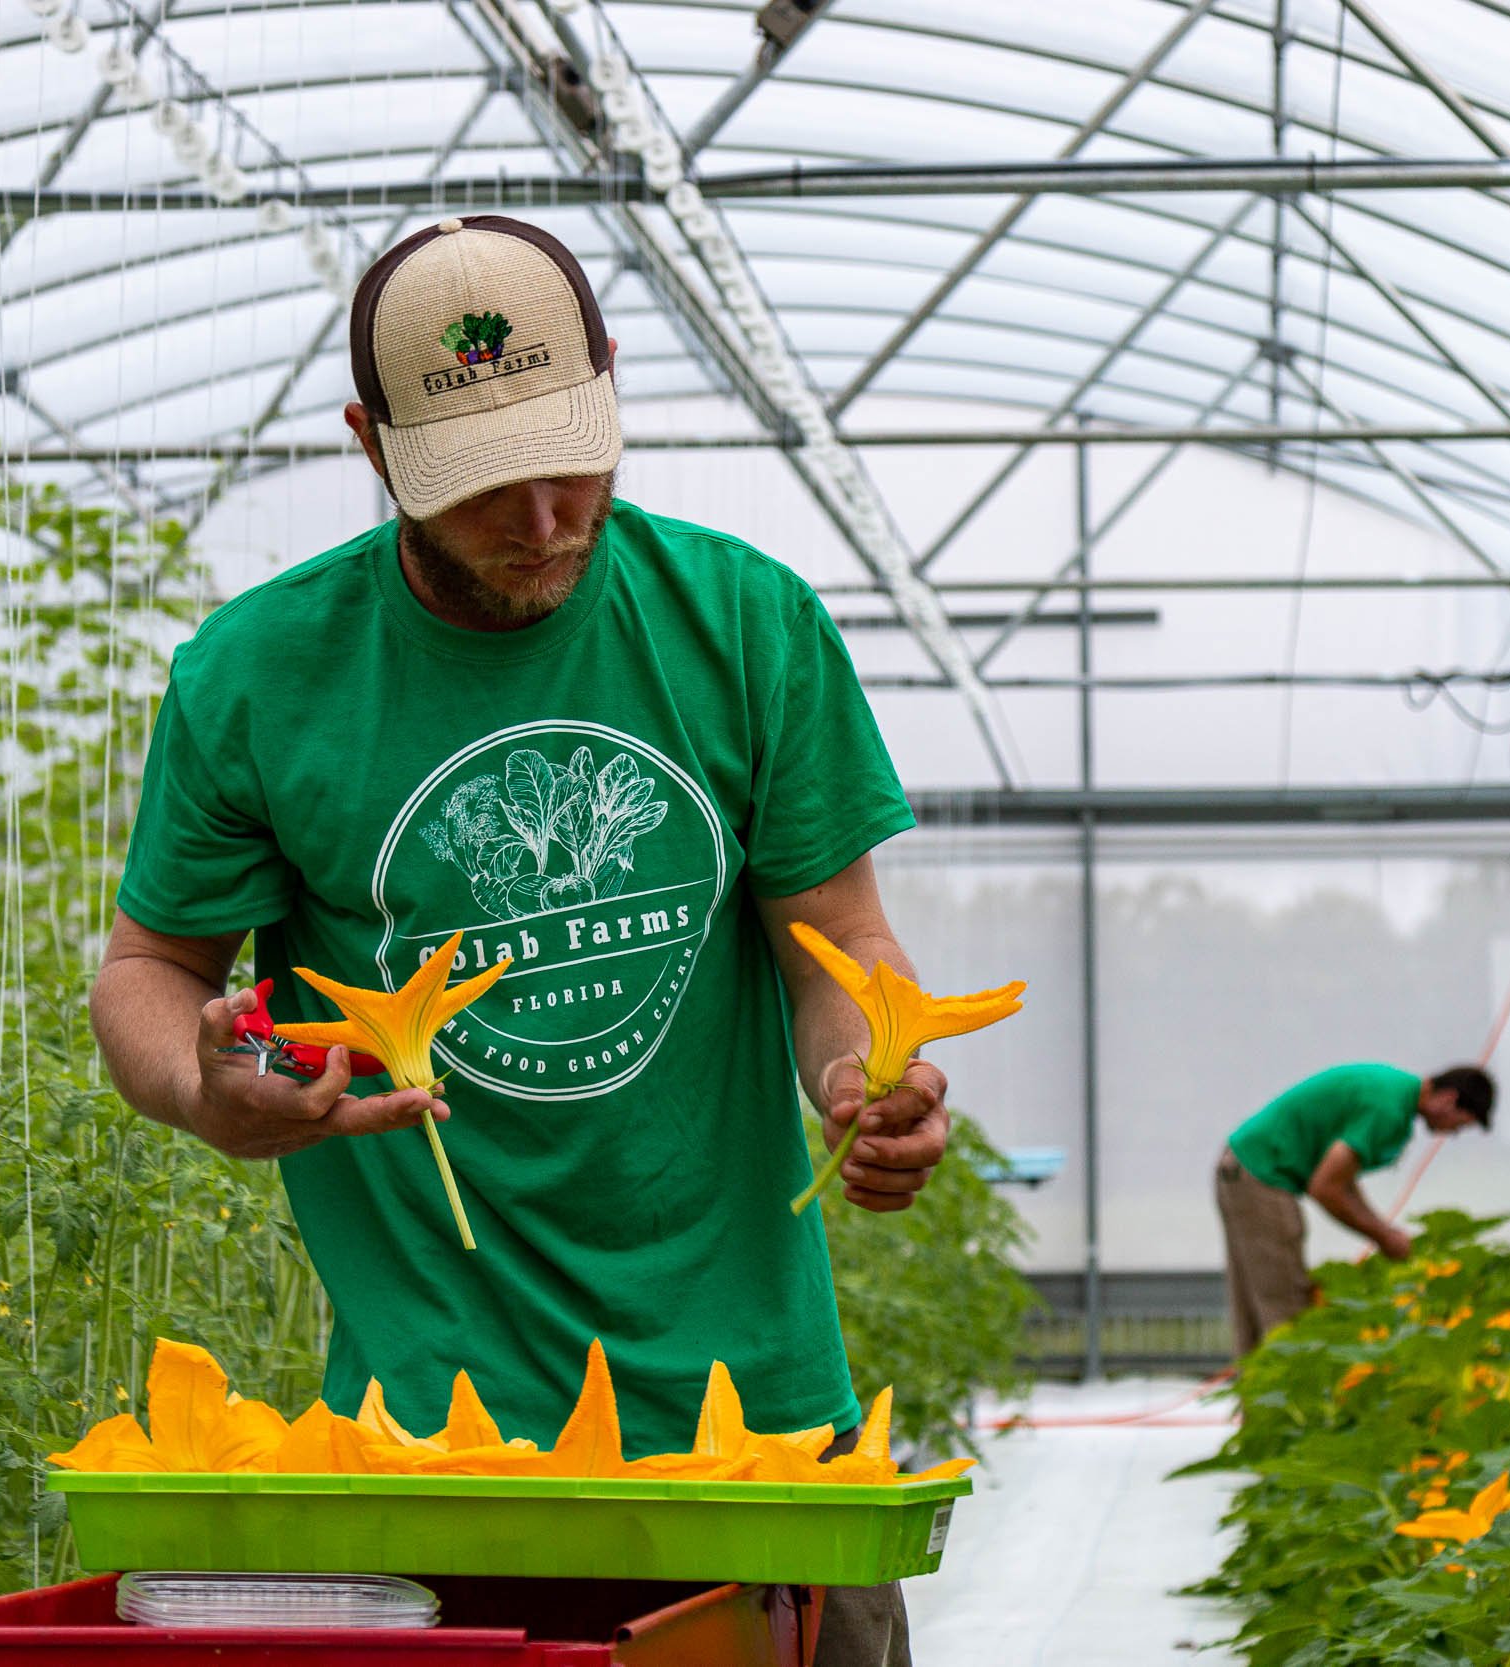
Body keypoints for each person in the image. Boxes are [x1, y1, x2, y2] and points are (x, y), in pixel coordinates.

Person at [88, 214, 946, 1667]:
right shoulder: (258, 676)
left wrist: (873, 1072)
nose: (548, 518)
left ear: (611, 378)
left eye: (574, 457)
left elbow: (836, 943)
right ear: (373, 443)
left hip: (755, 1434)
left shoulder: (744, 623)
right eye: (486, 485)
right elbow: (150, 970)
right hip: (436, 1450)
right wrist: (198, 1087)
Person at [1215, 1063, 1495, 1355]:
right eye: (1460, 1124)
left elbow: (1341, 1178)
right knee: (1287, 1311)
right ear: (1448, 1099)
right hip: (1261, 1174)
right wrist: (1383, 1236)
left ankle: (1256, 1398)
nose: (1452, 1133)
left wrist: (1383, 1230)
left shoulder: (1393, 1090)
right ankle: (1284, 1398)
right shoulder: (1389, 1110)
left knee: (1254, 1314)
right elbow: (1325, 1187)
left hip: (1241, 1167)